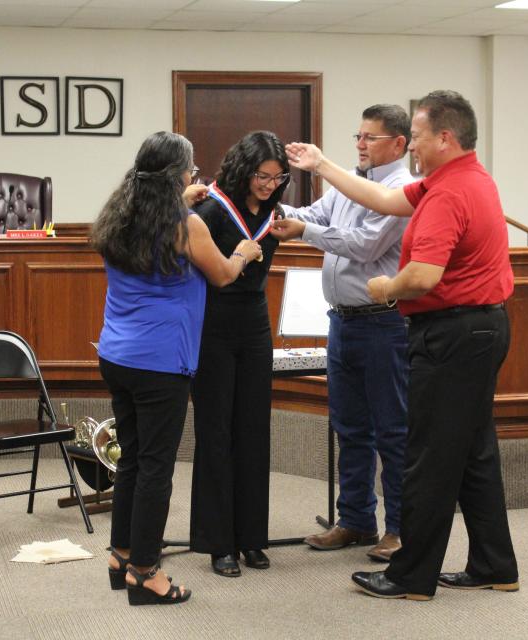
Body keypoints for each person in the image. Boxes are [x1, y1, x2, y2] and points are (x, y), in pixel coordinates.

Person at [286, 90, 519, 601]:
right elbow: (382, 199)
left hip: (453, 334)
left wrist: (386, 289)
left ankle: (410, 575)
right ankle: (494, 564)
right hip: (479, 330)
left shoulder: (449, 194)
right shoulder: (461, 178)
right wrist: (322, 164)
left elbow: (421, 275)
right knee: (474, 454)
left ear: (444, 137)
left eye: (415, 136)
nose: (411, 145)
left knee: (429, 456)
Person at [92, 131, 262, 605]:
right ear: (179, 176)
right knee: (155, 469)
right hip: (161, 363)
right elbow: (224, 275)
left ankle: (121, 555)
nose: (194, 176)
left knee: (132, 457)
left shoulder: (119, 214)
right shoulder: (186, 226)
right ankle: (146, 574)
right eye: (190, 170)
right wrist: (245, 252)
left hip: (117, 355)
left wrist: (181, 198)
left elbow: (157, 221)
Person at [270, 104, 412, 562]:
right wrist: (262, 195)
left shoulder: (401, 189)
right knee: (350, 428)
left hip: (384, 324)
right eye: (358, 136)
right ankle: (355, 520)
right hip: (343, 323)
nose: (360, 144)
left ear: (398, 143)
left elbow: (365, 246)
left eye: (370, 138)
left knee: (391, 431)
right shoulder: (349, 184)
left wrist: (306, 231)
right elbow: (312, 214)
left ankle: (400, 529)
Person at [189, 131, 290, 577]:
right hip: (214, 323)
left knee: (253, 430)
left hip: (254, 324)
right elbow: (207, 273)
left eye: (276, 177)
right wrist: (239, 255)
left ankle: (251, 538)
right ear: (244, 170)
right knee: (216, 432)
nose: (269, 185)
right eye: (262, 176)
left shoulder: (275, 214)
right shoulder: (210, 211)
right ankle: (219, 543)